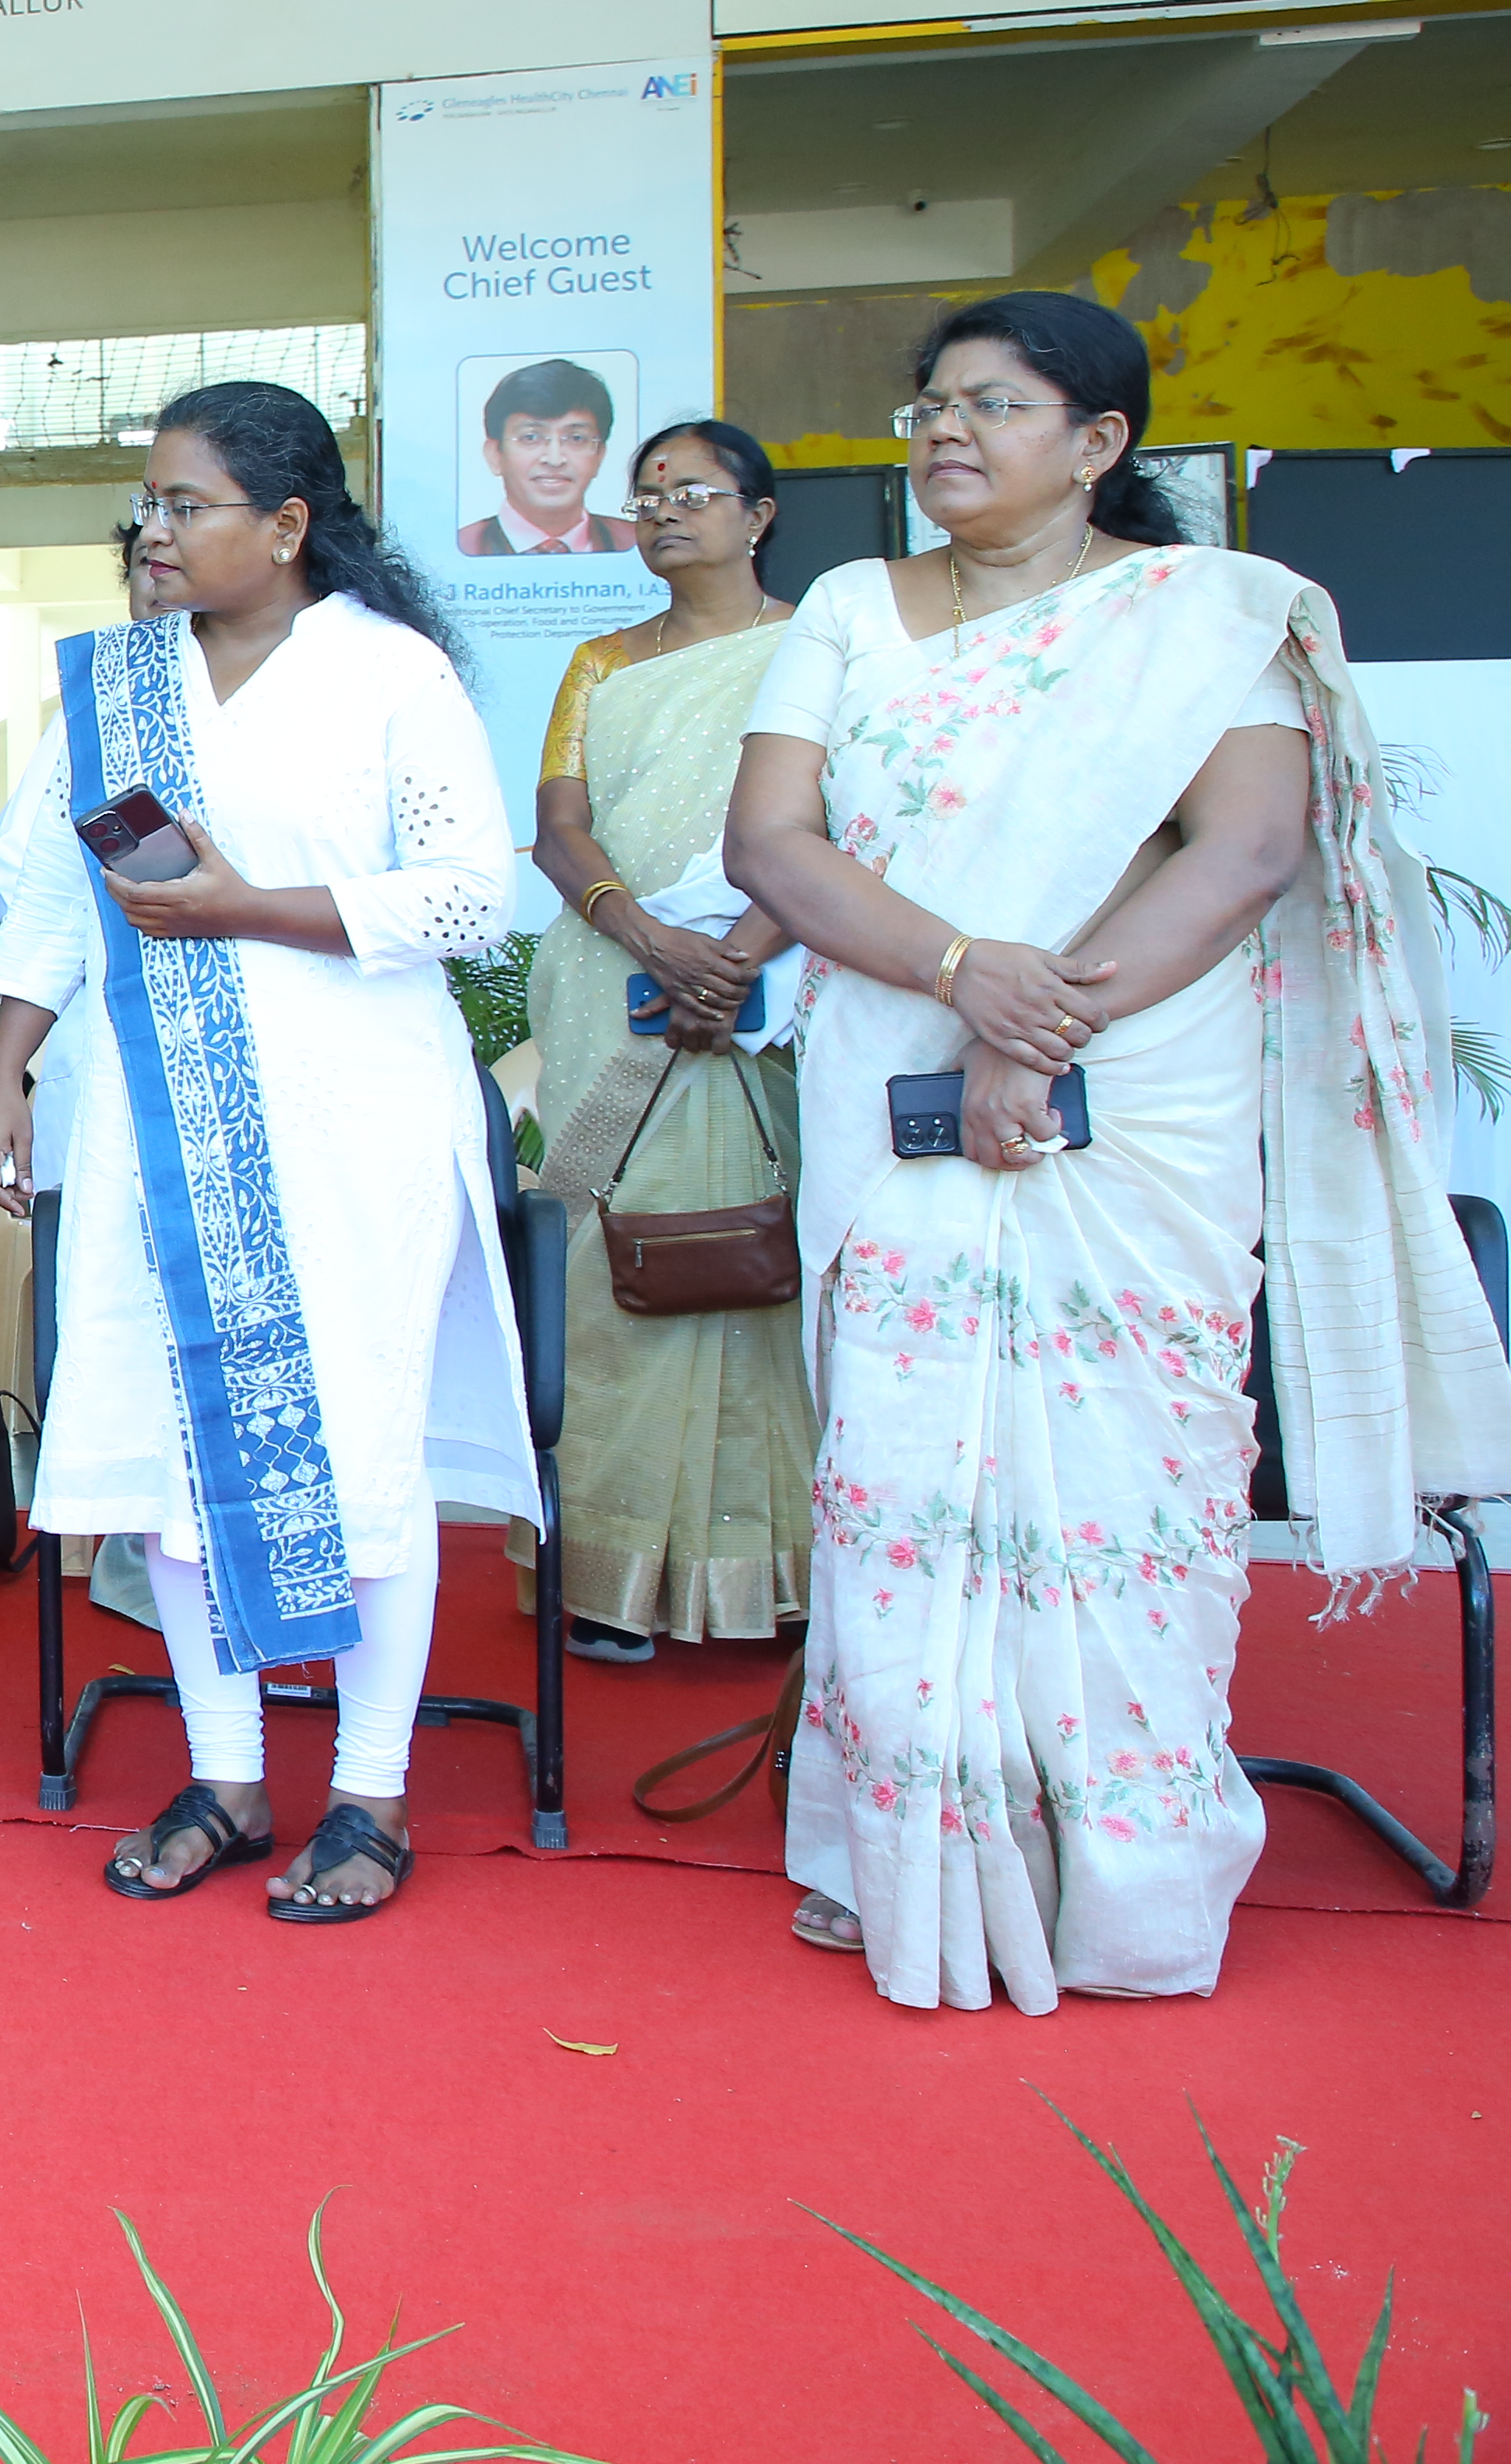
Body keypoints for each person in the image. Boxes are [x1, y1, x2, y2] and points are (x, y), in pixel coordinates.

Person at [727, 291, 1509, 2013]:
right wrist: (959, 979)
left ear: (1101, 446)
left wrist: (1036, 1024)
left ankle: (1122, 1881)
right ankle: (910, 1859)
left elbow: (1241, 854)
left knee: (1122, 1483)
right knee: (905, 1482)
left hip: (1136, 1093)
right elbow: (771, 843)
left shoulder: (1209, 614)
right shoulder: (854, 609)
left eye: (996, 406)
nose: (946, 431)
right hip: (899, 1065)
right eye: (932, 404)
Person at [0, 382, 530, 1919]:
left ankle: (370, 1794)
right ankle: (225, 1774)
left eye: (185, 505)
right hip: (159, 1128)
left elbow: (472, 896)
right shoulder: (113, 686)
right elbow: (44, 891)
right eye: (147, 504)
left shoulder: (390, 674)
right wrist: (8, 1066)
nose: (152, 531)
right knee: (183, 1453)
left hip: (355, 1121)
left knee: (363, 1453)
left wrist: (253, 908)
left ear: (288, 527)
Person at [518, 418, 811, 1660]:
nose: (665, 512)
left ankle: (764, 1574)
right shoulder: (600, 662)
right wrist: (641, 933)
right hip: (609, 984)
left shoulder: (818, 652)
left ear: (758, 514)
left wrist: (737, 958)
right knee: (602, 1268)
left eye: (695, 492)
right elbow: (560, 825)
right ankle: (606, 1574)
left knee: (756, 1264)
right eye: (646, 497)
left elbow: (838, 817)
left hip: (779, 981)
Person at [455, 361, 639, 555]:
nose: (554, 459)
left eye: (576, 438)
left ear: (600, 455)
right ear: (494, 455)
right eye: (531, 437)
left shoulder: (636, 542)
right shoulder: (463, 546)